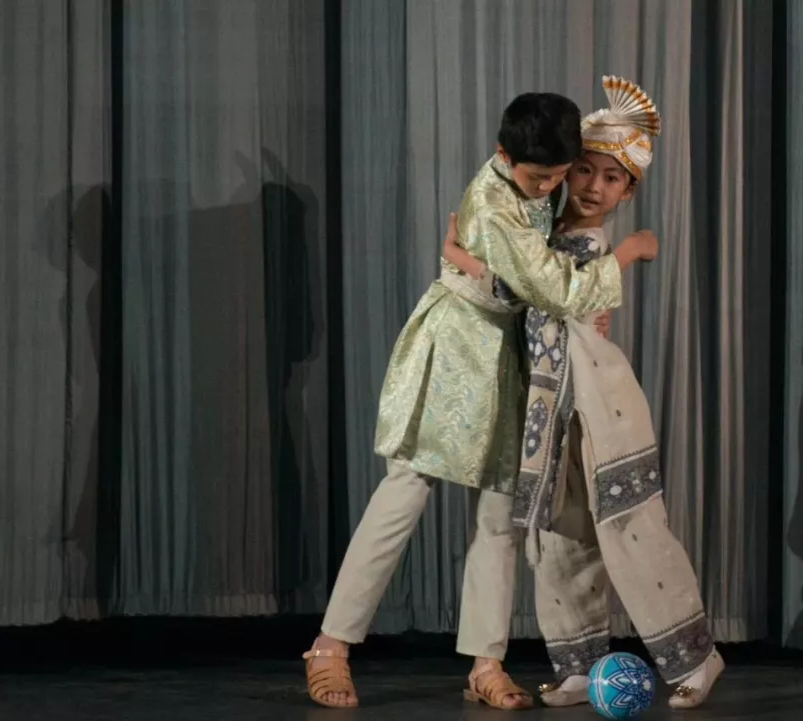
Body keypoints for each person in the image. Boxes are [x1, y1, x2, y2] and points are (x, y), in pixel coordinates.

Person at [303, 90, 659, 710]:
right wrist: (627, 255)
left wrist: (465, 257)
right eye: (539, 176)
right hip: (457, 354)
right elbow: (553, 289)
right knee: (403, 493)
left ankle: (486, 662)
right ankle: (329, 647)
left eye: (559, 175)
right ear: (504, 154)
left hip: (512, 361)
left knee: (498, 516)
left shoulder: (539, 183)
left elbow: (547, 271)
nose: (550, 187)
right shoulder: (496, 205)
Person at [444, 76, 725, 711]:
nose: (595, 187)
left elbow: (554, 293)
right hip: (550, 406)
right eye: (586, 172)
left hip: (600, 400)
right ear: (566, 171)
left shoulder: (588, 244)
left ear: (629, 189)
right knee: (560, 534)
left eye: (613, 178)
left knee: (631, 528)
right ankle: (580, 662)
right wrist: (457, 253)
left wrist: (622, 254)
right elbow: (525, 290)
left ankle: (696, 656)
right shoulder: (536, 229)